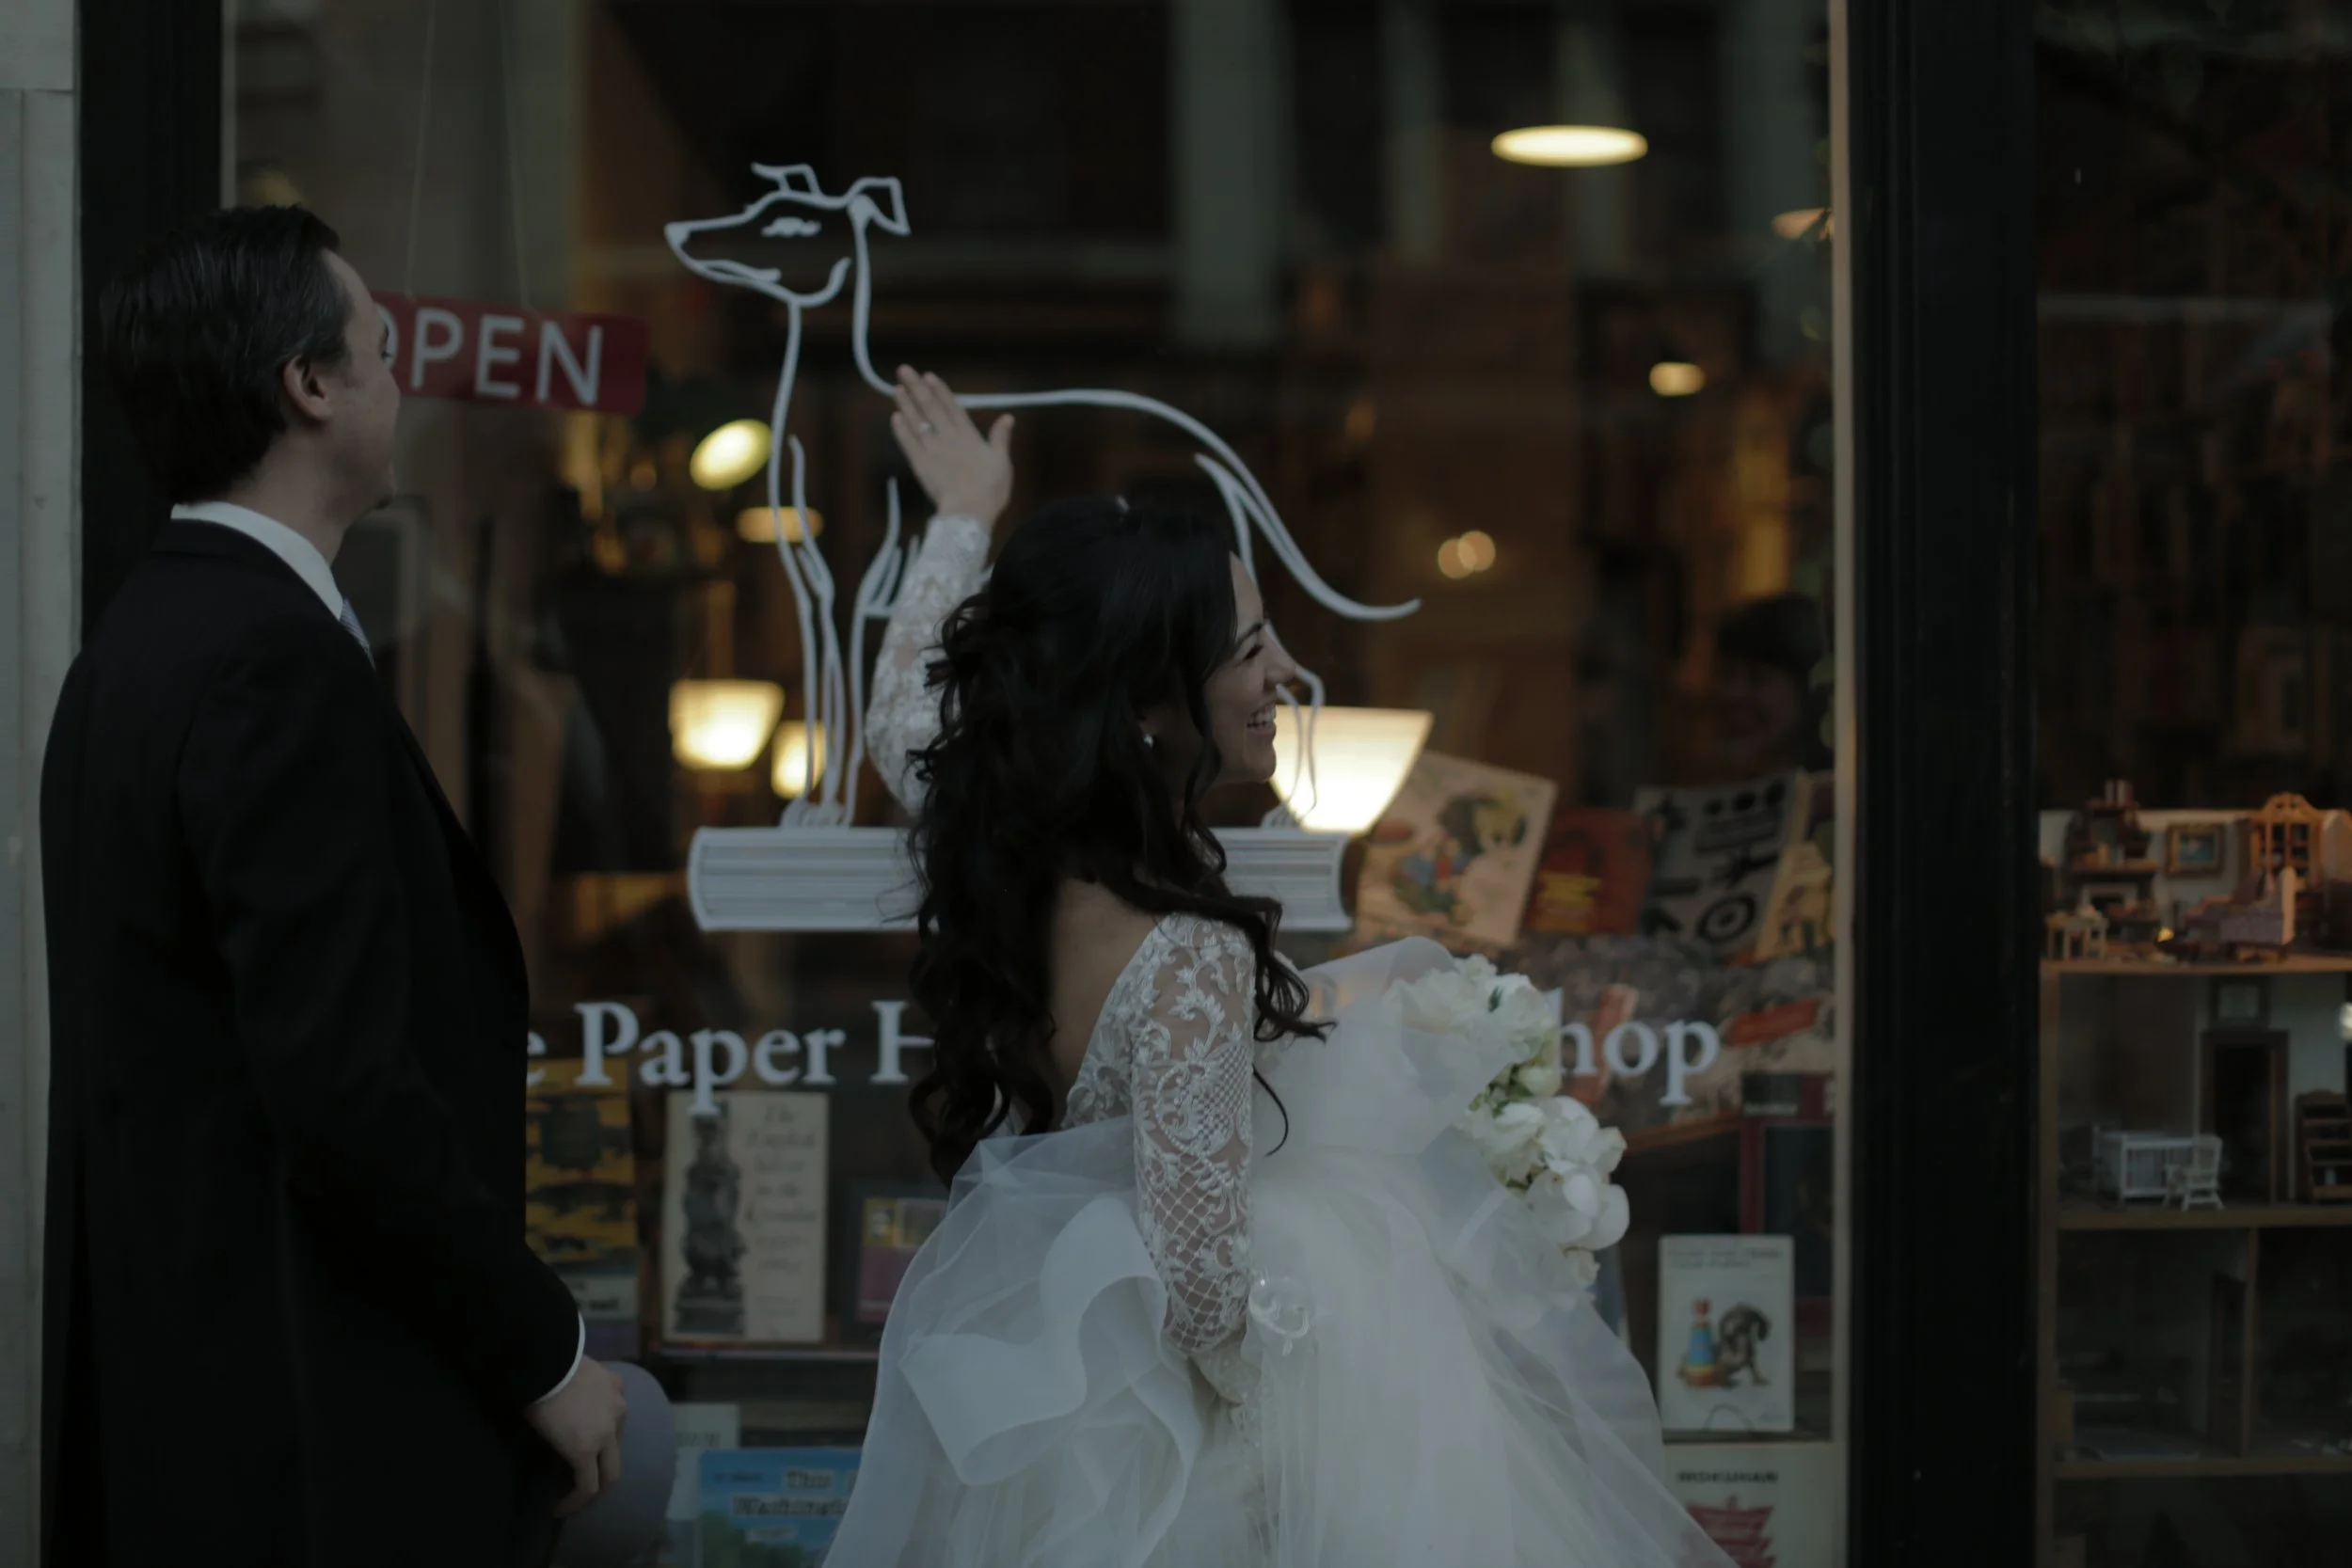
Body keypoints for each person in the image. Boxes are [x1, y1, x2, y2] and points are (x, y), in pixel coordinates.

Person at [832, 369, 1729, 1567]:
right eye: (1250, 648)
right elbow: (1206, 1299)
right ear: (1153, 699)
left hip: (1083, 1446)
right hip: (1216, 1477)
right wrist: (1415, 1308)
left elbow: (901, 707)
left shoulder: (999, 837)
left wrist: (961, 514)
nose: (1287, 674)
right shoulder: (1186, 958)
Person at [40, 206, 628, 1567]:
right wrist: (545, 1353)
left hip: (187, 1410)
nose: (402, 373)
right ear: (308, 386)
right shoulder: (267, 659)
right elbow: (344, 1086)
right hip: (304, 1427)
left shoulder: (135, 642)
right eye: (382, 344)